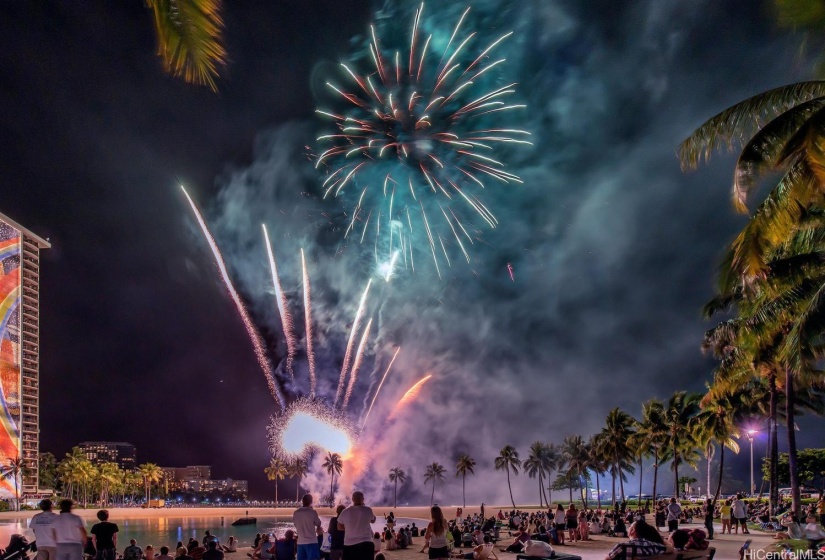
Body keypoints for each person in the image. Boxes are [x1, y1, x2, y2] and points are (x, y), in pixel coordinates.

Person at [337, 491, 376, 560]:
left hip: (350, 544)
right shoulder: (368, 510)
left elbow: (339, 527)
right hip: (366, 543)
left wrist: (349, 528)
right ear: (363, 499)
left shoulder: (345, 511)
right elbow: (373, 520)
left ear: (352, 499)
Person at [293, 494, 323, 560]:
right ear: (311, 502)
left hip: (300, 542)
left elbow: (295, 524)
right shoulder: (312, 512)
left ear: (302, 501)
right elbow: (318, 524)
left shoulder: (296, 513)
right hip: (312, 542)